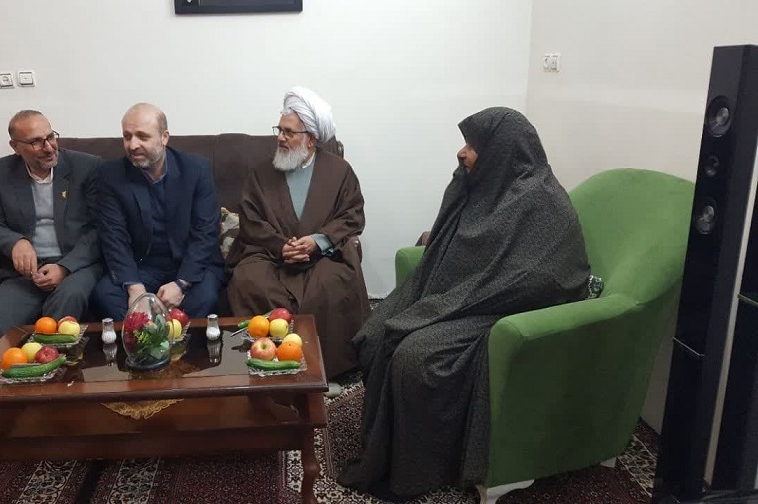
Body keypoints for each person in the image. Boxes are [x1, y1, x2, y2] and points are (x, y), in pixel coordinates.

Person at [337, 107, 592, 499]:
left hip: (506, 311)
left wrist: (454, 303)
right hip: (461, 296)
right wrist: (461, 187)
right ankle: (385, 444)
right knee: (376, 333)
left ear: (502, 150)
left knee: (416, 358)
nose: (461, 152)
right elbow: (449, 245)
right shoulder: (483, 185)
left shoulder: (542, 202)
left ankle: (420, 467)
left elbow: (544, 278)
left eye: (473, 146)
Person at [226, 87, 370, 390]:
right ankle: (265, 362)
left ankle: (322, 370)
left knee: (331, 284)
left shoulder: (339, 171)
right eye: (279, 130)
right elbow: (251, 219)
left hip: (323, 255)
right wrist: (281, 246)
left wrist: (318, 240)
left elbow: (353, 214)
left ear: (311, 139)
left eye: (289, 132)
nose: (280, 137)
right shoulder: (261, 173)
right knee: (247, 280)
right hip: (270, 254)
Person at [0, 110, 103, 354]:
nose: (48, 147)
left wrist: (64, 267)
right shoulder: (2, 171)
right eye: (36, 142)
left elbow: (101, 229)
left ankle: (49, 368)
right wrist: (16, 242)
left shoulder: (86, 167)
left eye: (50, 137)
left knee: (69, 296)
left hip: (76, 266)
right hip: (27, 274)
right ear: (16, 147)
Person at [91, 103, 223, 320]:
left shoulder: (196, 170)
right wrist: (135, 289)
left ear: (164, 137)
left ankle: (174, 340)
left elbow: (206, 232)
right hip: (142, 267)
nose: (132, 145)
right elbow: (113, 236)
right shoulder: (111, 175)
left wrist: (181, 284)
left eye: (142, 137)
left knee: (204, 297)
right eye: (127, 136)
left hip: (188, 265)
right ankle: (148, 341)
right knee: (106, 295)